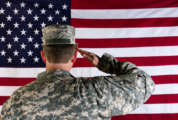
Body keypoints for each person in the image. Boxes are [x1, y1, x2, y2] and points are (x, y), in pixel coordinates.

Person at [0, 24, 155, 120]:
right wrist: (106, 64)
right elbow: (145, 82)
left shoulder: (17, 100)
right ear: (74, 56)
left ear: (43, 55)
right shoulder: (95, 92)